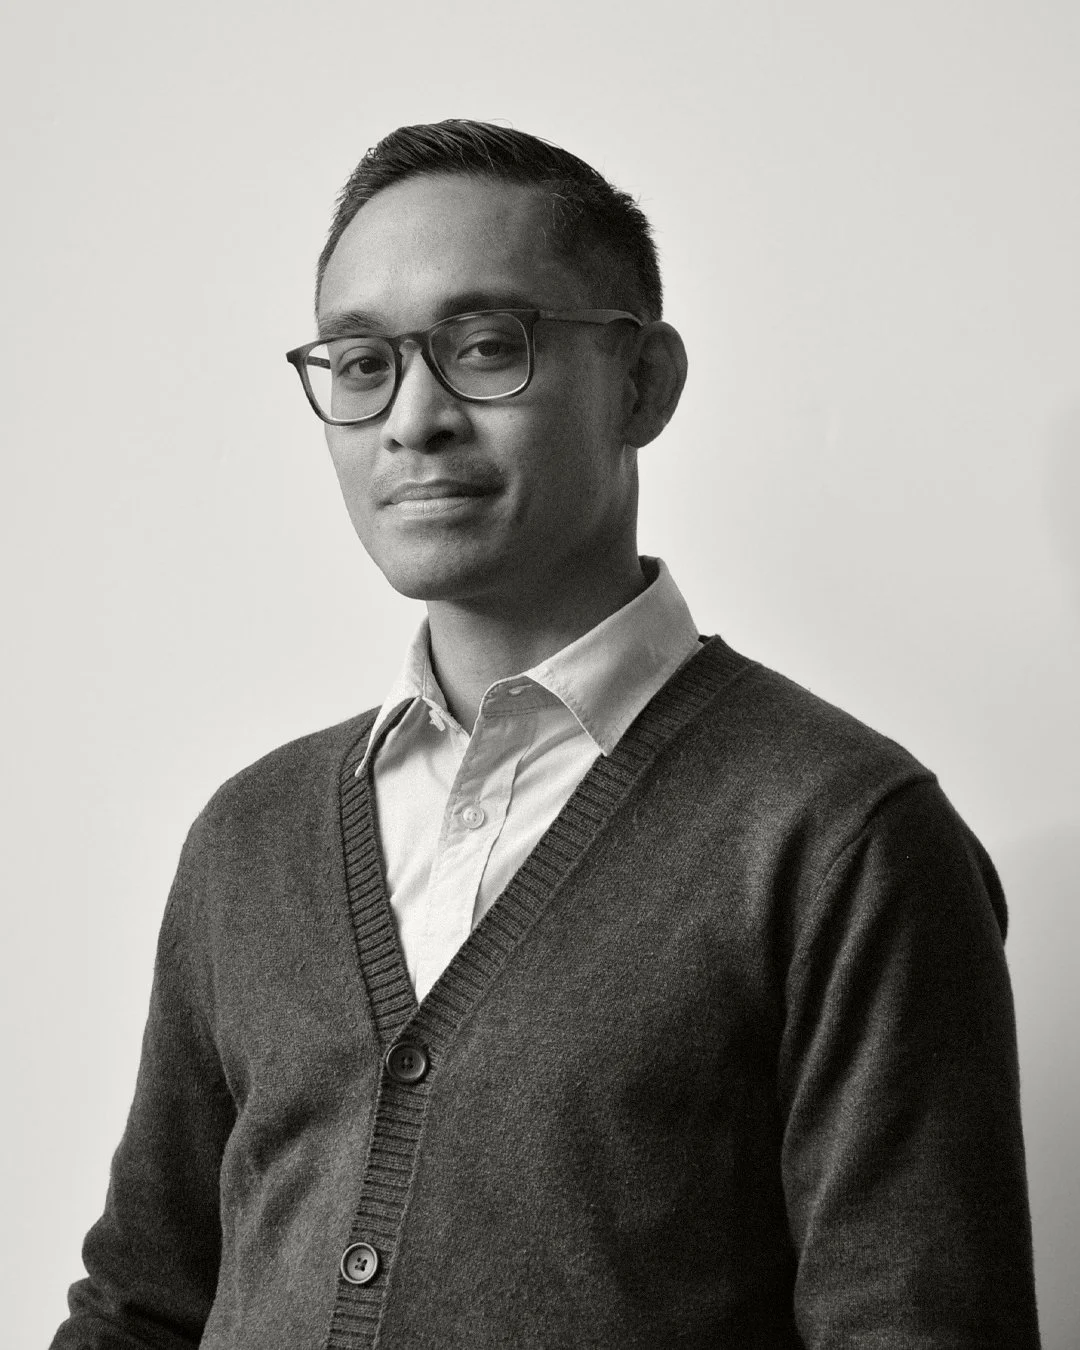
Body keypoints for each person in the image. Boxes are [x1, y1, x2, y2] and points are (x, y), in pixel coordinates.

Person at [52, 120, 1041, 1349]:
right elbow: (142, 1306)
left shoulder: (839, 834)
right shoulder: (249, 836)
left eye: (484, 347)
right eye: (361, 363)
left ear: (644, 383)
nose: (412, 419)